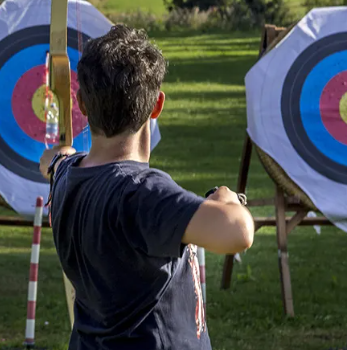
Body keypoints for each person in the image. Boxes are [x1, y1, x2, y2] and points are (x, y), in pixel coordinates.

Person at [40, 25, 254, 350]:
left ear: (82, 103)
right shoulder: (142, 193)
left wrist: (60, 157)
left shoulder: (67, 176)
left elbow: (52, 159)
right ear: (157, 106)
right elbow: (238, 232)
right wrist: (227, 198)